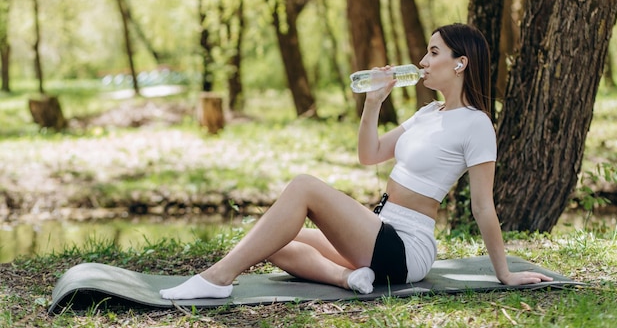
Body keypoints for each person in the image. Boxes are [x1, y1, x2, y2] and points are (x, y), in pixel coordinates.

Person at [160, 23, 552, 300]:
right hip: (380, 227)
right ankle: (349, 277)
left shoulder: (477, 124)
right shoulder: (429, 112)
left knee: (303, 186)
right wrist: (373, 104)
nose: (423, 60)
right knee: (273, 238)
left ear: (460, 63)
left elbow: (484, 206)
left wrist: (504, 274)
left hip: (406, 247)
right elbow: (370, 155)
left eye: (434, 52)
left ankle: (217, 278)